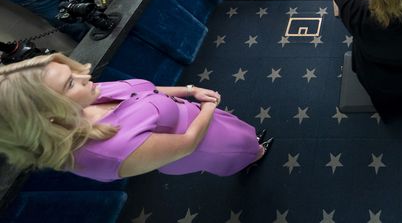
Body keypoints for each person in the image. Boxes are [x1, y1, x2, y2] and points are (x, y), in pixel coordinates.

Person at [0, 53, 272, 181]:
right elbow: (189, 143)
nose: (85, 76)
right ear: (47, 113)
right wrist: (208, 108)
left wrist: (190, 91)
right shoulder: (108, 151)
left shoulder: (83, 97)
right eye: (70, 83)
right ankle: (255, 156)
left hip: (198, 116)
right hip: (203, 142)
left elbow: (147, 91)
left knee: (241, 133)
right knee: (242, 148)